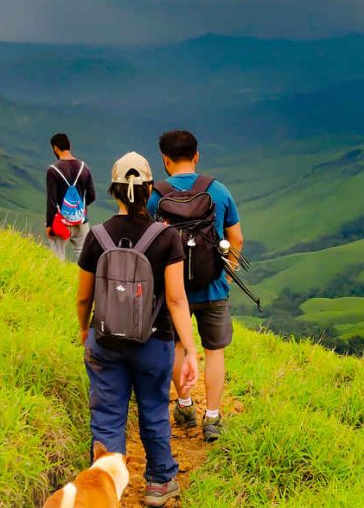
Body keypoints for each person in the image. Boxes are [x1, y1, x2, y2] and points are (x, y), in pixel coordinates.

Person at [76, 152, 199, 507]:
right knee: (154, 410)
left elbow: (84, 298)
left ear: (114, 190)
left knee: (108, 415)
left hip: (105, 339)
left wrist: (86, 331)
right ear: (149, 190)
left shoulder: (97, 237)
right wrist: (190, 350)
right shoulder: (166, 237)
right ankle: (160, 483)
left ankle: (103, 490)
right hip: (154, 342)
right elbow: (176, 300)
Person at [147, 130, 244, 443]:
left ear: (165, 159)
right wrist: (226, 273)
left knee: (177, 346)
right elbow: (237, 238)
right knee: (214, 352)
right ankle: (212, 418)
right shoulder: (218, 190)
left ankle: (185, 406)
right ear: (197, 155)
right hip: (213, 287)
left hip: (173, 292)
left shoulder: (155, 196)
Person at [46, 133, 96, 261]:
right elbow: (92, 195)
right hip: (81, 220)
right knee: (83, 259)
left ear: (55, 148)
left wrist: (49, 225)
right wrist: (79, 208)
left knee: (57, 257)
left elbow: (51, 201)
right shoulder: (84, 168)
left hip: (60, 221)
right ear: (70, 146)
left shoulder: (53, 170)